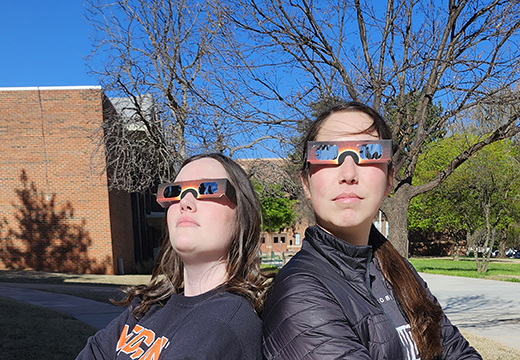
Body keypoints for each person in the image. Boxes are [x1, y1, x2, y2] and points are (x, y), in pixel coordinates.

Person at [262, 102, 482, 360]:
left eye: (369, 152)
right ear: (306, 183)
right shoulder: (300, 294)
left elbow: (458, 352)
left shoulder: (396, 268)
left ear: (390, 179)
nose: (348, 173)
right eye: (325, 152)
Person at [77, 153, 268, 360]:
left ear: (242, 217)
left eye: (208, 189)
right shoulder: (149, 305)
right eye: (175, 191)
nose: (185, 202)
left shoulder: (226, 323)